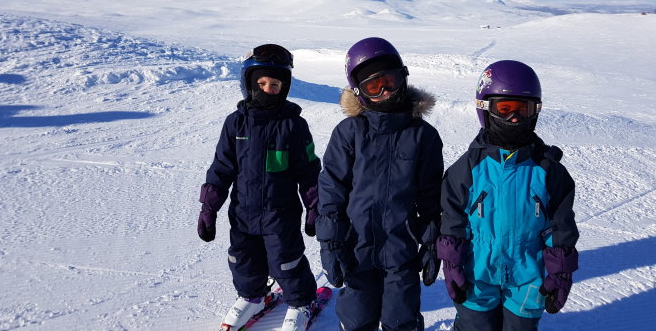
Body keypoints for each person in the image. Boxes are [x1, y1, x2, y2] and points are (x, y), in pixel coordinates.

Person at [437, 60, 579, 331]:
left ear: (535, 111)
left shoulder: (548, 171)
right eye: (505, 109)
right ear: (485, 109)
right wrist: (451, 261)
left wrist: (560, 270)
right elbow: (452, 220)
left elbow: (560, 226)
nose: (515, 119)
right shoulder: (467, 169)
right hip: (477, 272)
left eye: (522, 110)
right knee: (474, 326)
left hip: (528, 275)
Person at [316, 37, 444, 331]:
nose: (386, 91)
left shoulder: (422, 135)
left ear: (404, 76)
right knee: (357, 318)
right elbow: (331, 191)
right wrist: (331, 242)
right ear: (360, 93)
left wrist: (431, 240)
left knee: (401, 319)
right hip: (356, 249)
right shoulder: (349, 133)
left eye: (390, 80)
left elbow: (431, 197)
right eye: (374, 86)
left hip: (402, 250)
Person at [196, 44, 321, 331]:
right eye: (261, 83)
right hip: (242, 213)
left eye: (275, 85)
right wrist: (208, 207)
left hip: (281, 213)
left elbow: (309, 170)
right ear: (249, 84)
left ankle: (302, 301)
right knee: (242, 260)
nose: (267, 89)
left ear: (285, 88)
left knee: (286, 261)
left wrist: (315, 205)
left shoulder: (294, 125)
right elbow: (221, 168)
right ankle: (254, 296)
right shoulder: (235, 123)